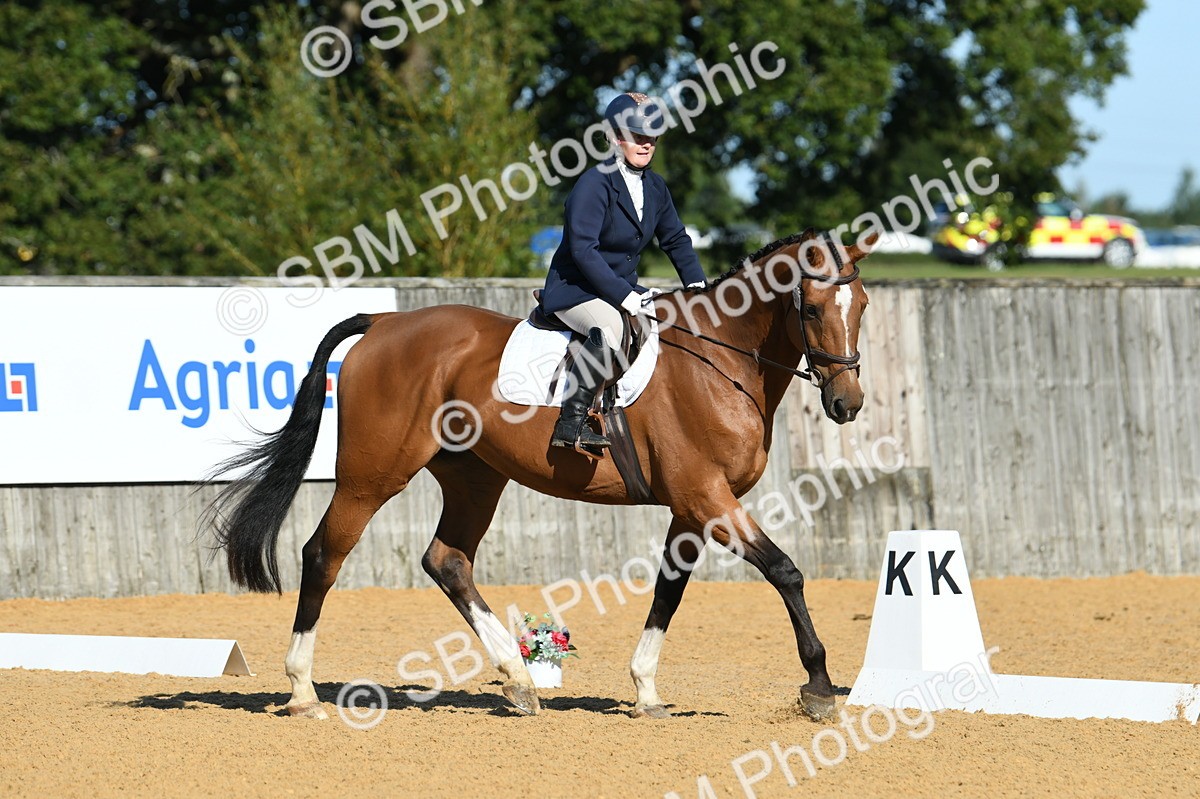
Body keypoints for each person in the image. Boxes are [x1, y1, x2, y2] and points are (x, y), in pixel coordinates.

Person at [541, 91, 707, 453]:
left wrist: (698, 286)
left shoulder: (655, 187)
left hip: (618, 288)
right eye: (637, 135)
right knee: (611, 328)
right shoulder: (593, 184)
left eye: (652, 136)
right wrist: (626, 296)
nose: (646, 144)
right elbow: (584, 252)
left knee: (668, 320)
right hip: (577, 289)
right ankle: (572, 422)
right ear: (616, 137)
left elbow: (676, 240)